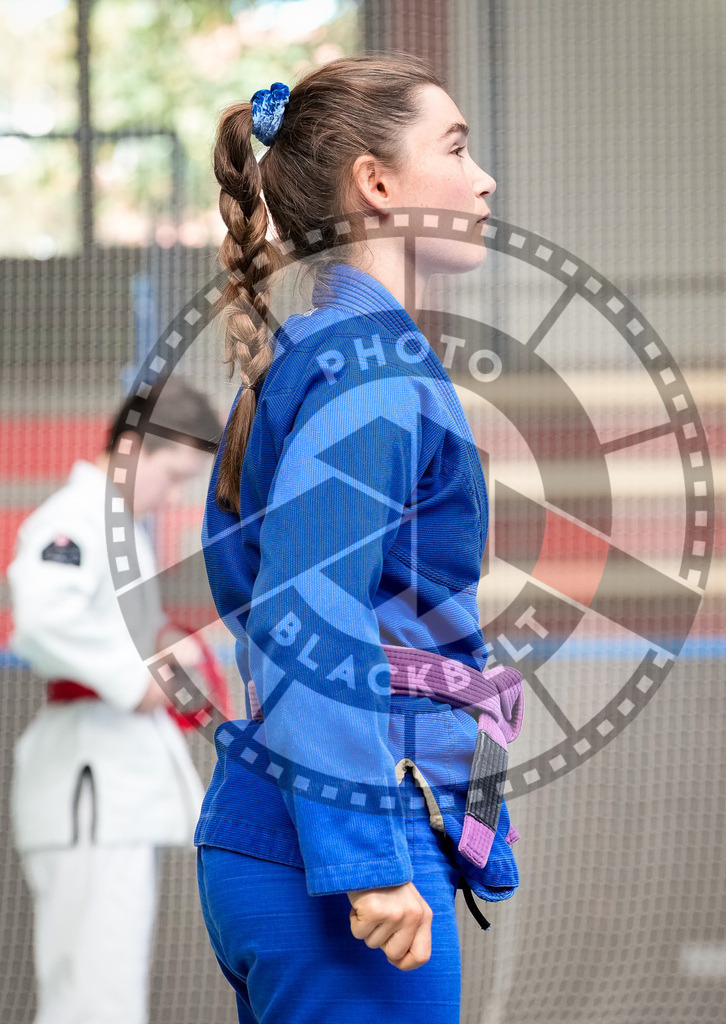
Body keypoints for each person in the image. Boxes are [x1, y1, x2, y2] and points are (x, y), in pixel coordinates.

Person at [196, 53, 526, 1024]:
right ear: (377, 185)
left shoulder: (313, 356)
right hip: (345, 850)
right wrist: (365, 858)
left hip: (295, 840)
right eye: (456, 148)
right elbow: (307, 608)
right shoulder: (370, 370)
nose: (483, 177)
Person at [7, 378, 223, 1024]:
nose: (175, 496)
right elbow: (40, 621)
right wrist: (140, 678)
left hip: (107, 789)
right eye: (173, 475)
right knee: (95, 995)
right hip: (90, 787)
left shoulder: (119, 529)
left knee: (100, 986)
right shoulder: (74, 520)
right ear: (131, 450)